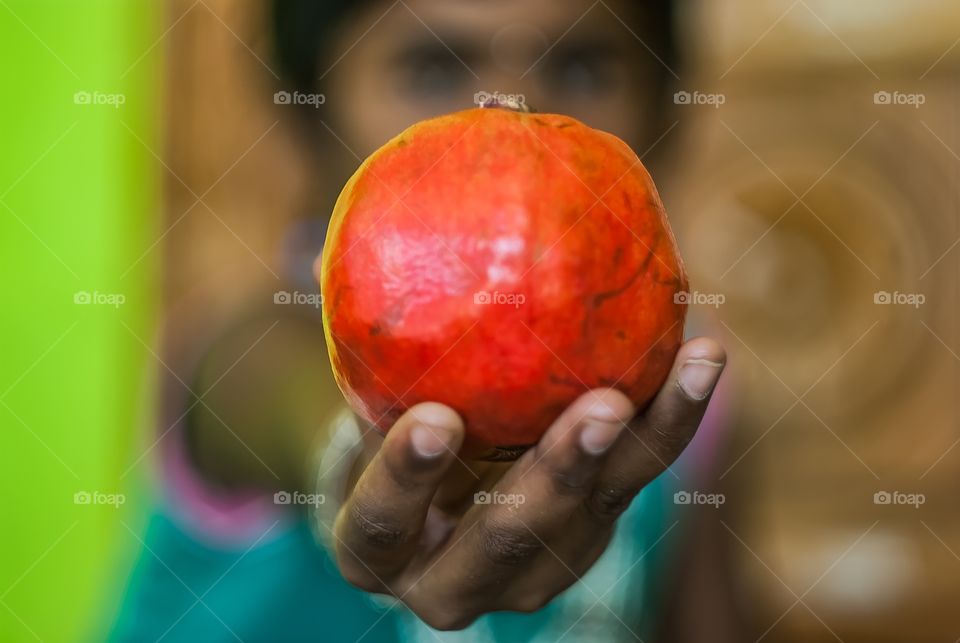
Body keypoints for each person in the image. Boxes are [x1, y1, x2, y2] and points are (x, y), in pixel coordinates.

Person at [110, 1, 728, 641]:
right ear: (309, 111)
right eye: (432, 70)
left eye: (582, 68)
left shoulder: (685, 387)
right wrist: (360, 467)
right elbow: (298, 397)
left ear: (666, 112)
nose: (508, 107)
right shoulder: (250, 346)